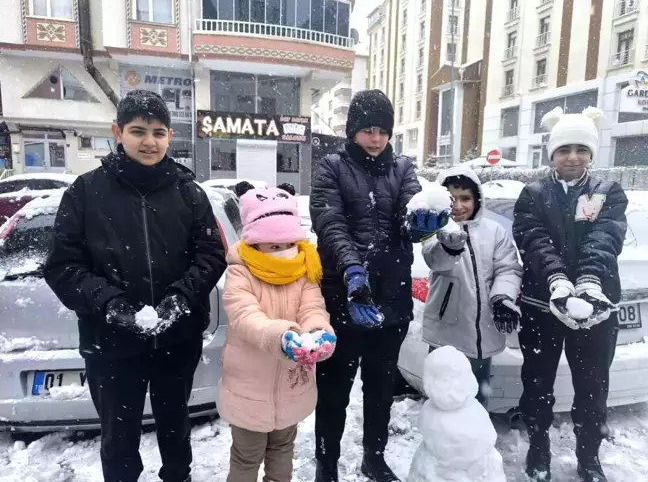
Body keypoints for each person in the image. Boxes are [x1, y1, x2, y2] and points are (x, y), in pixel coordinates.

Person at [44, 90, 227, 482]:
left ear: (169, 136)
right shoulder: (86, 192)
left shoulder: (189, 193)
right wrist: (111, 304)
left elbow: (211, 255)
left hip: (176, 340)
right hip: (110, 344)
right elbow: (63, 266)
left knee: (176, 428)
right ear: (117, 132)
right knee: (118, 438)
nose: (149, 141)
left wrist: (180, 298)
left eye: (159, 132)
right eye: (138, 131)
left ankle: (178, 476)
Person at [310, 89, 422, 482]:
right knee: (334, 392)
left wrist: (422, 225)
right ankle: (327, 463)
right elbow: (331, 224)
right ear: (352, 130)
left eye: (382, 131)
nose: (375, 139)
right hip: (344, 300)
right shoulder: (331, 167)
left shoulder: (403, 169)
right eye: (367, 130)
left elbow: (410, 215)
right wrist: (352, 272)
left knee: (379, 391)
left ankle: (374, 457)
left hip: (391, 301)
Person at [512, 107, 628, 482]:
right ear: (552, 154)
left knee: (593, 386)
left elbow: (606, 237)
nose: (572, 157)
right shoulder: (533, 194)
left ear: (591, 153)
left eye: (581, 148)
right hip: (542, 305)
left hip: (596, 307)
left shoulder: (608, 192)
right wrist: (557, 280)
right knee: (538, 382)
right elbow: (533, 241)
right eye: (564, 149)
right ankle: (539, 448)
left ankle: (589, 458)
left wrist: (589, 282)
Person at [219, 183, 336, 482]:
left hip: (290, 385)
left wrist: (319, 332)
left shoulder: (305, 267)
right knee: (246, 457)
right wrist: (281, 336)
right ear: (256, 244)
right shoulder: (240, 271)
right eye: (273, 246)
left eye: (288, 243)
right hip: (249, 389)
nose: (284, 252)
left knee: (283, 449)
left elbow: (312, 308)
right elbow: (245, 316)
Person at [418, 166, 522, 407]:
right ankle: (439, 443)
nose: (458, 206)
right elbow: (435, 260)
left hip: (483, 332)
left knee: (476, 397)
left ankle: (477, 442)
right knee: (442, 399)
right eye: (451, 199)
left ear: (477, 200)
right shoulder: (435, 229)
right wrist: (448, 246)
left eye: (466, 198)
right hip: (447, 329)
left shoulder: (494, 231)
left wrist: (502, 297)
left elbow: (508, 268)